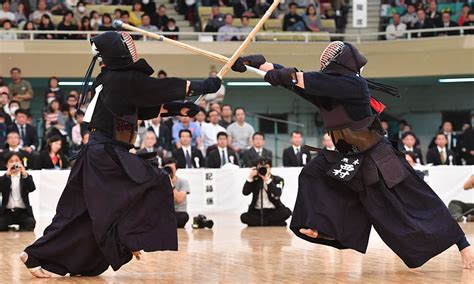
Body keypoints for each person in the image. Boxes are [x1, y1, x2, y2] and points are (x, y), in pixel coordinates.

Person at [231, 42, 474, 269]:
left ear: (342, 61)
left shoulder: (354, 85)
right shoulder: (328, 91)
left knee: (418, 201)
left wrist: (285, 76)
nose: (324, 62)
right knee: (313, 172)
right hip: (351, 158)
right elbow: (295, 79)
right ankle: (323, 228)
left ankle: (463, 245)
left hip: (379, 156)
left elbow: (303, 78)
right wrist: (258, 64)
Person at [20, 31, 221, 278]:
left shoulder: (113, 80)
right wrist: (202, 85)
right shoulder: (121, 78)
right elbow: (159, 88)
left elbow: (140, 108)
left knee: (79, 213)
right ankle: (128, 237)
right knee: (153, 182)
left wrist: (179, 108)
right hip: (105, 155)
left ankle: (35, 254)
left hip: (98, 154)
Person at [240, 158, 292, 226]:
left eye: (266, 167)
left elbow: (277, 194)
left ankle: (262, 222)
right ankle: (273, 222)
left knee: (286, 212)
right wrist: (250, 177)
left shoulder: (278, 180)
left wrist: (267, 180)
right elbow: (245, 192)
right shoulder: (255, 179)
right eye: (261, 168)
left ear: (270, 168)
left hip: (273, 210)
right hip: (257, 211)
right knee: (244, 217)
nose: (264, 169)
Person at [0, 152, 36, 232]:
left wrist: (24, 173)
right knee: (1, 225)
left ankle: (18, 227)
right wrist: (7, 175)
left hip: (23, 212)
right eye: (11, 161)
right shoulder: (3, 178)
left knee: (30, 224)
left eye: (17, 160)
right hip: (7, 212)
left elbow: (32, 188)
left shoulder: (26, 177)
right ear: (6, 165)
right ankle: (10, 227)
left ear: (21, 163)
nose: (14, 163)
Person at [162, 158, 191, 228]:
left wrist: (170, 184)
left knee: (183, 217)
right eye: (167, 168)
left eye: (171, 169)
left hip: (179, 212)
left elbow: (179, 199)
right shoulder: (161, 182)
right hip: (166, 212)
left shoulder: (183, 182)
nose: (169, 171)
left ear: (176, 169)